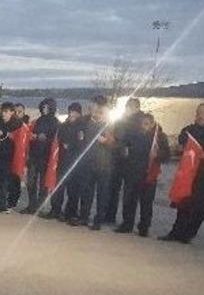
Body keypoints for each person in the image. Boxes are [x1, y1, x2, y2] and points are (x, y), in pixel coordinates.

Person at [116, 113, 170, 237]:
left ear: (152, 124)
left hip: (149, 174)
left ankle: (144, 227)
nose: (143, 126)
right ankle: (127, 224)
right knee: (129, 201)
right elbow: (123, 146)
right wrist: (124, 150)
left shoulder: (160, 137)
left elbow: (167, 156)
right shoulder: (132, 134)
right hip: (132, 172)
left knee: (146, 203)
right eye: (142, 123)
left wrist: (157, 155)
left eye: (146, 124)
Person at [160, 103, 204, 244]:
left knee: (199, 207)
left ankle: (188, 234)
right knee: (184, 202)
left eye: (203, 113)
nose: (200, 115)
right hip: (189, 173)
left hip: (202, 175)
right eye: (199, 112)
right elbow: (181, 144)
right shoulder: (189, 130)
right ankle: (176, 232)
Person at [76, 97, 115, 230]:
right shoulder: (86, 123)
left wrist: (106, 141)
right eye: (94, 111)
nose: (96, 113)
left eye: (99, 111)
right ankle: (84, 217)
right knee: (86, 192)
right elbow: (81, 141)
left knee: (102, 194)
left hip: (104, 165)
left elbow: (116, 144)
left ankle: (98, 220)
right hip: (88, 163)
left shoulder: (110, 125)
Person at [43, 103, 85, 222]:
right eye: (70, 111)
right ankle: (55, 210)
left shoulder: (82, 126)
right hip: (61, 161)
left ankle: (70, 213)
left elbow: (83, 143)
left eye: (74, 111)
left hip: (75, 162)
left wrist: (70, 146)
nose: (72, 113)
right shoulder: (63, 125)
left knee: (73, 190)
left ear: (78, 113)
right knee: (58, 188)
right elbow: (58, 140)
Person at [107, 97, 146, 225]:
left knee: (129, 193)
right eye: (127, 106)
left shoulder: (143, 121)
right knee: (113, 188)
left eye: (130, 107)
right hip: (118, 158)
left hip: (133, 162)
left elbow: (142, 140)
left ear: (137, 108)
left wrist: (128, 146)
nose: (127, 109)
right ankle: (110, 215)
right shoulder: (122, 120)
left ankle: (127, 222)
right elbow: (116, 135)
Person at [23, 98, 59, 214]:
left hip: (46, 156)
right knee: (31, 182)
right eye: (43, 107)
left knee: (43, 184)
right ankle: (31, 205)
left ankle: (39, 207)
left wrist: (45, 139)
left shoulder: (55, 122)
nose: (44, 109)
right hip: (34, 154)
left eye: (47, 107)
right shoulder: (38, 121)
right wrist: (33, 137)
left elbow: (56, 140)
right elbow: (29, 134)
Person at [6, 103, 28, 210]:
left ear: (24, 113)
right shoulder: (8, 123)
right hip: (7, 155)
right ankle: (6, 199)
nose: (18, 113)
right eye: (16, 111)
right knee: (8, 179)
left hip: (19, 157)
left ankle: (13, 201)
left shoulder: (25, 126)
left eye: (20, 112)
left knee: (16, 179)